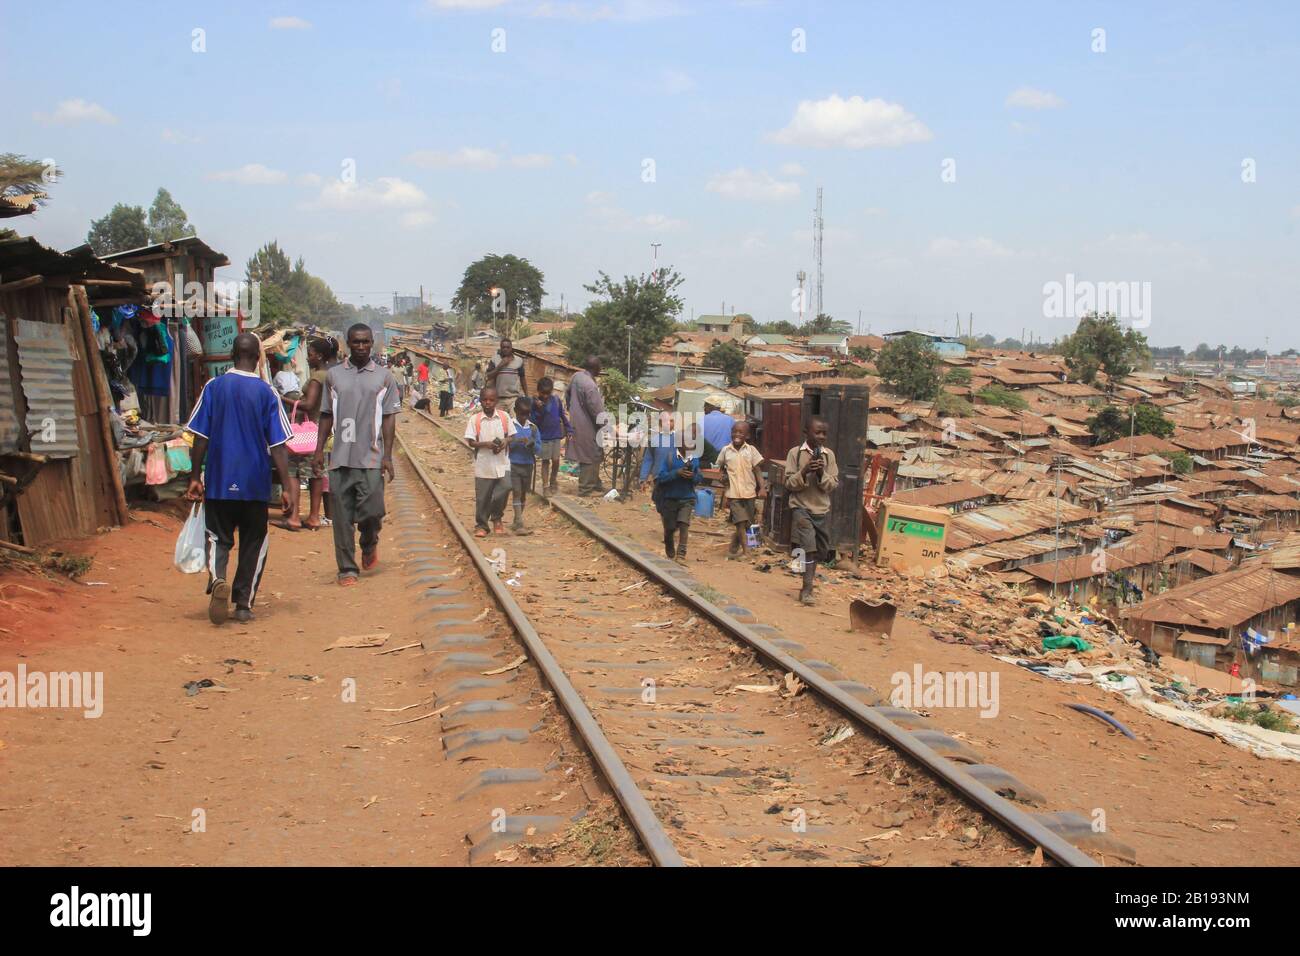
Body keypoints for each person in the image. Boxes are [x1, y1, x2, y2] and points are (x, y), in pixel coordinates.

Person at [184, 332, 293, 625]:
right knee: (254, 541)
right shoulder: (266, 392)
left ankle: (219, 579)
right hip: (255, 483)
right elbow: (278, 445)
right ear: (259, 359)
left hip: (219, 480)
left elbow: (200, 436)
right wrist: (286, 486)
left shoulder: (213, 387)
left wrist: (195, 476)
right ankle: (243, 603)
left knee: (217, 537)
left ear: (232, 355)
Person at [312, 323, 400, 587]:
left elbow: (388, 419)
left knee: (373, 511)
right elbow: (326, 414)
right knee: (341, 518)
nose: (361, 347)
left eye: (365, 342)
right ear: (348, 344)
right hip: (340, 458)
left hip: (371, 457)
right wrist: (318, 450)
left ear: (372, 343)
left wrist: (388, 455)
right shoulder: (334, 376)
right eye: (356, 342)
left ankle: (369, 542)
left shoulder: (385, 377)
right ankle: (347, 568)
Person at [783, 418, 840, 606]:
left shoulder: (829, 456)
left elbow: (832, 485)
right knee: (809, 548)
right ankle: (807, 589)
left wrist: (821, 473)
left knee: (819, 552)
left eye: (824, 433)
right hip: (800, 507)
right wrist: (805, 471)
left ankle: (804, 573)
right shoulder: (795, 454)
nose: (821, 437)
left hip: (821, 510)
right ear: (807, 432)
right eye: (818, 432)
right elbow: (789, 483)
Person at [277, 337, 332, 531]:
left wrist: (281, 398)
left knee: (294, 471)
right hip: (321, 430)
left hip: (306, 431)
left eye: (310, 354)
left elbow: (308, 404)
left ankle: (293, 517)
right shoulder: (331, 374)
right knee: (316, 474)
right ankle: (314, 517)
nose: (308, 358)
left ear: (319, 355)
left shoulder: (317, 377)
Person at [464, 386, 515, 537]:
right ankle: (481, 525)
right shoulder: (475, 419)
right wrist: (487, 444)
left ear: (496, 401)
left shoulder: (504, 417)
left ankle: (497, 516)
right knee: (482, 497)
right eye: (485, 400)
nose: (488, 403)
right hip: (484, 464)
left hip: (502, 462)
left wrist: (505, 442)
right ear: (480, 401)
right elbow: (471, 442)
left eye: (491, 400)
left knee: (505, 488)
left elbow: (512, 436)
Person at [716, 420, 766, 559]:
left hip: (749, 493)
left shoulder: (751, 451)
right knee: (740, 522)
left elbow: (757, 471)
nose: (737, 434)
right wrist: (722, 478)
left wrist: (762, 488)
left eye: (740, 432)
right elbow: (720, 468)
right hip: (733, 494)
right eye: (734, 432)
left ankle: (733, 549)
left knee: (747, 523)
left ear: (747, 436)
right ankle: (746, 552)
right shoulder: (726, 451)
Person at [655, 432, 703, 564]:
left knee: (684, 524)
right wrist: (677, 473)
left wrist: (692, 476)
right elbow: (661, 477)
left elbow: (699, 478)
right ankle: (668, 542)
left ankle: (681, 553)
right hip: (670, 498)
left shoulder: (694, 459)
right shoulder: (670, 457)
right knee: (670, 527)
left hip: (687, 498)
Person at [565, 356, 607, 496]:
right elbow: (596, 410)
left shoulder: (576, 376)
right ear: (595, 368)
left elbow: (567, 393)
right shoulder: (590, 386)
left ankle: (595, 483)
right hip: (587, 425)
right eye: (600, 366)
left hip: (576, 421)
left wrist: (572, 409)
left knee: (595, 453)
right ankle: (585, 489)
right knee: (589, 455)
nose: (601, 369)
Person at [530, 376, 572, 496]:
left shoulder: (556, 401)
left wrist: (569, 429)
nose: (545, 396)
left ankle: (553, 480)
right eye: (543, 393)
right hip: (543, 437)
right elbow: (533, 421)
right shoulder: (535, 403)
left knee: (556, 460)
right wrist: (539, 409)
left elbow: (563, 416)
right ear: (538, 391)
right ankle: (545, 486)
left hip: (556, 436)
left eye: (548, 393)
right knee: (545, 461)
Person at [507, 396, 540, 534]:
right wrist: (517, 441)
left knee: (523, 495)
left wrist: (532, 444)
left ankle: (516, 519)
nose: (524, 416)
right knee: (516, 492)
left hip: (528, 465)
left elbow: (539, 449)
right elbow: (506, 444)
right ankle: (520, 523)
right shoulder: (510, 426)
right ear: (515, 411)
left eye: (527, 414)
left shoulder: (533, 428)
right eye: (522, 413)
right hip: (513, 464)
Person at [700, 399, 735, 467]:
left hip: (709, 459)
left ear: (711, 406)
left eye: (705, 406)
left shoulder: (701, 419)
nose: (704, 409)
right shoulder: (730, 419)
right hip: (727, 458)